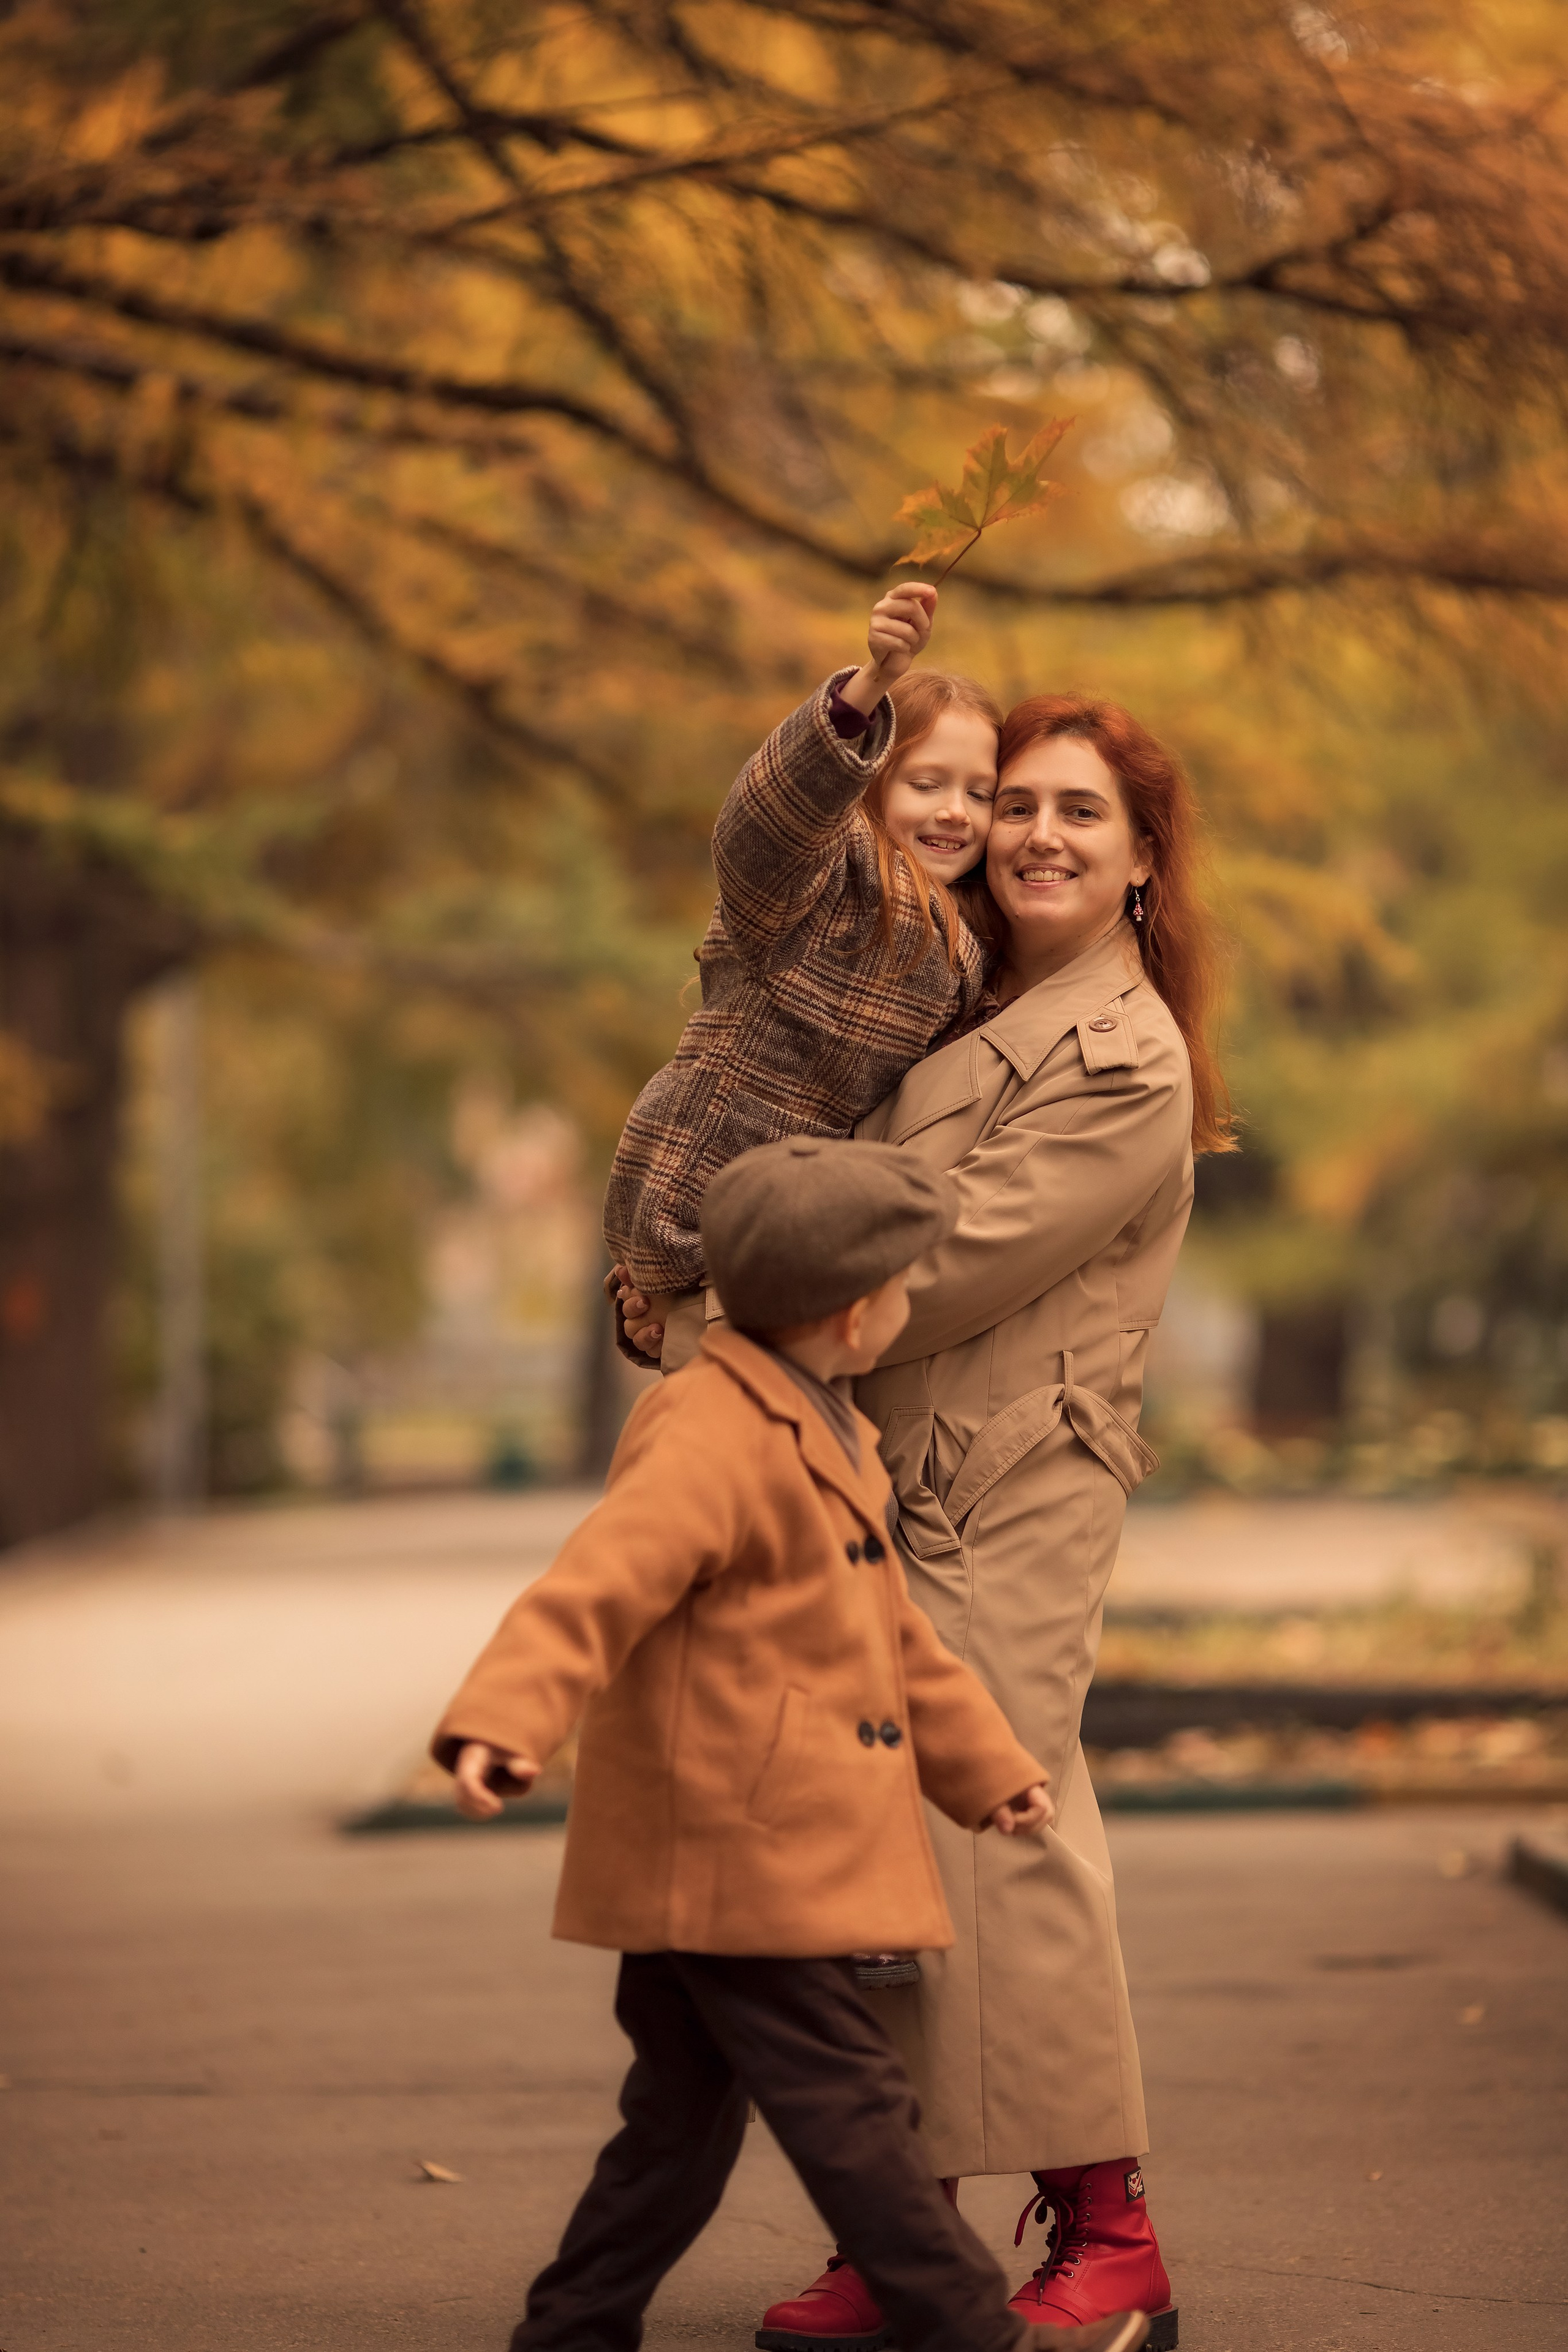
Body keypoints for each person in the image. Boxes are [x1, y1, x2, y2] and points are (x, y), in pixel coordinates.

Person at [429, 1138, 1152, 2352]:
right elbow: (591, 1588)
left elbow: (891, 1639)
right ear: (851, 1309)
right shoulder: (709, 1435)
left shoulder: (822, 1427)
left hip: (721, 1857)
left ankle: (570, 2333)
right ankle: (979, 2335)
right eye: (906, 1284)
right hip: (731, 1850)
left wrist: (987, 1772)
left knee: (676, 2129)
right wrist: (503, 1724)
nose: (914, 1300)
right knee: (855, 2110)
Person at [756, 695, 1231, 2352]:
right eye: (1015, 803)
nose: (1036, 833)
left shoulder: (1121, 1055)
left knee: (1007, 1846)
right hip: (910, 1488)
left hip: (1010, 1488)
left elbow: (941, 1263)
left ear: (1145, 864)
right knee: (904, 1868)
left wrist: (728, 1296)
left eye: (1082, 814)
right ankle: (913, 2239)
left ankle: (1113, 2233)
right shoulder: (968, 1009)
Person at [603, 579, 1001, 1371]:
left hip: (802, 1248)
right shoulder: (823, 880)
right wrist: (869, 688)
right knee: (725, 1478)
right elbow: (762, 824)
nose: (956, 811)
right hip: (708, 1215)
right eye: (928, 784)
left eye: (981, 794)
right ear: (874, 781)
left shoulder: (968, 940)